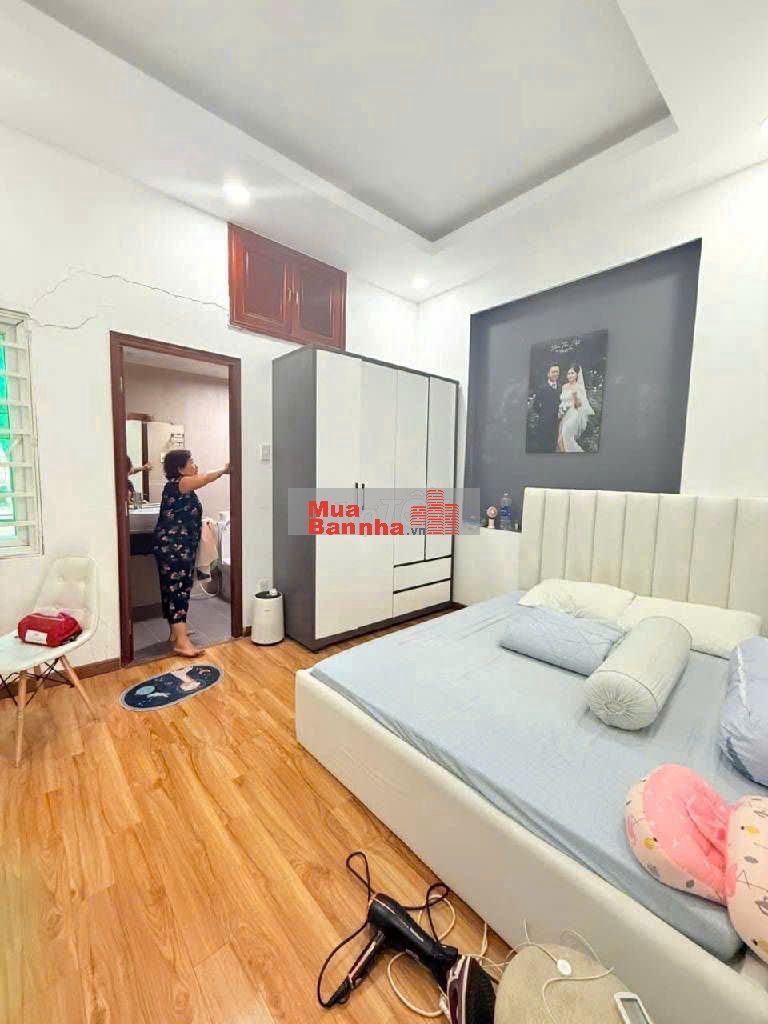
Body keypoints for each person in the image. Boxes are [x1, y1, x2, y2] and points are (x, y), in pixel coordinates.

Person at [153, 449, 229, 657]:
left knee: (174, 589)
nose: (195, 465)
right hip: (173, 548)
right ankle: (182, 642)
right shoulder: (181, 483)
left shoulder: (177, 486)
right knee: (177, 590)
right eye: (191, 462)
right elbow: (204, 478)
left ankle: (176, 634)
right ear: (180, 469)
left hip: (176, 547)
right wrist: (224, 470)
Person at [557, 364, 594, 452]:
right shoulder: (564, 387)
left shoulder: (579, 387)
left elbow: (579, 405)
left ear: (576, 375)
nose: (570, 375)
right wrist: (561, 410)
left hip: (573, 414)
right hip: (564, 415)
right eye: (569, 373)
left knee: (566, 438)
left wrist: (575, 396)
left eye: (572, 373)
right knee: (560, 441)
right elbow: (562, 401)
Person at [531, 364, 561, 452]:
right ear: (548, 374)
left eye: (557, 372)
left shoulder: (561, 388)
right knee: (543, 449)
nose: (555, 374)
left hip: (556, 425)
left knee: (554, 448)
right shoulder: (542, 388)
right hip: (544, 425)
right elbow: (535, 405)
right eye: (553, 372)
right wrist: (544, 415)